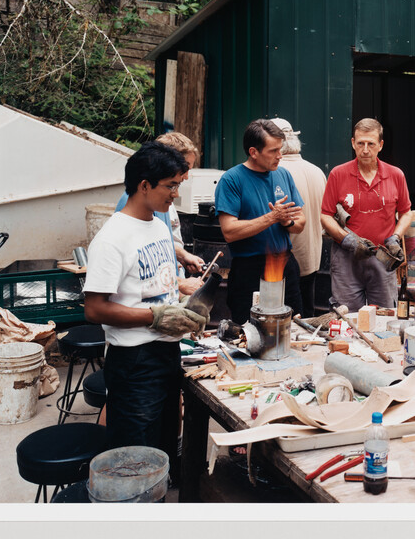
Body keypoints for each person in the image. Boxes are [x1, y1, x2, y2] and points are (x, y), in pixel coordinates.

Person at [83, 141, 208, 473]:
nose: (175, 194)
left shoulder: (156, 224)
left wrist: (184, 308)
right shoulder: (112, 239)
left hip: (167, 353)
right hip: (134, 363)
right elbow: (94, 309)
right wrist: (155, 316)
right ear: (144, 185)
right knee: (135, 460)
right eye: (170, 186)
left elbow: (155, 290)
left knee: (164, 449)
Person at [215, 119, 305, 324]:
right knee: (250, 332)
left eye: (280, 149)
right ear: (254, 152)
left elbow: (301, 223)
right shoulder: (232, 180)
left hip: (285, 264)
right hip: (249, 269)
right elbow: (229, 231)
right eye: (273, 151)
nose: (280, 156)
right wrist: (272, 217)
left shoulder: (283, 174)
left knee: (294, 325)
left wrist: (286, 222)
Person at [321, 118, 412, 311]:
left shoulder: (395, 175)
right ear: (353, 142)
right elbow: (325, 215)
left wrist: (395, 237)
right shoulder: (338, 174)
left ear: (380, 145)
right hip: (346, 259)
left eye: (371, 144)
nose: (365, 149)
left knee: (384, 315)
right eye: (360, 143)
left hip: (382, 256)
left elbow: (405, 213)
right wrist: (347, 240)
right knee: (346, 316)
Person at [115, 131, 205, 296]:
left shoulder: (162, 201)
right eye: (184, 167)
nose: (186, 176)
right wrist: (180, 284)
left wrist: (183, 256)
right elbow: (139, 263)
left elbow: (157, 247)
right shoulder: (137, 203)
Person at [271, 117, 327, 318]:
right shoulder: (317, 171)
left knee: (283, 319)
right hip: (313, 258)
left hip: (284, 261)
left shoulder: (276, 173)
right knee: (308, 316)